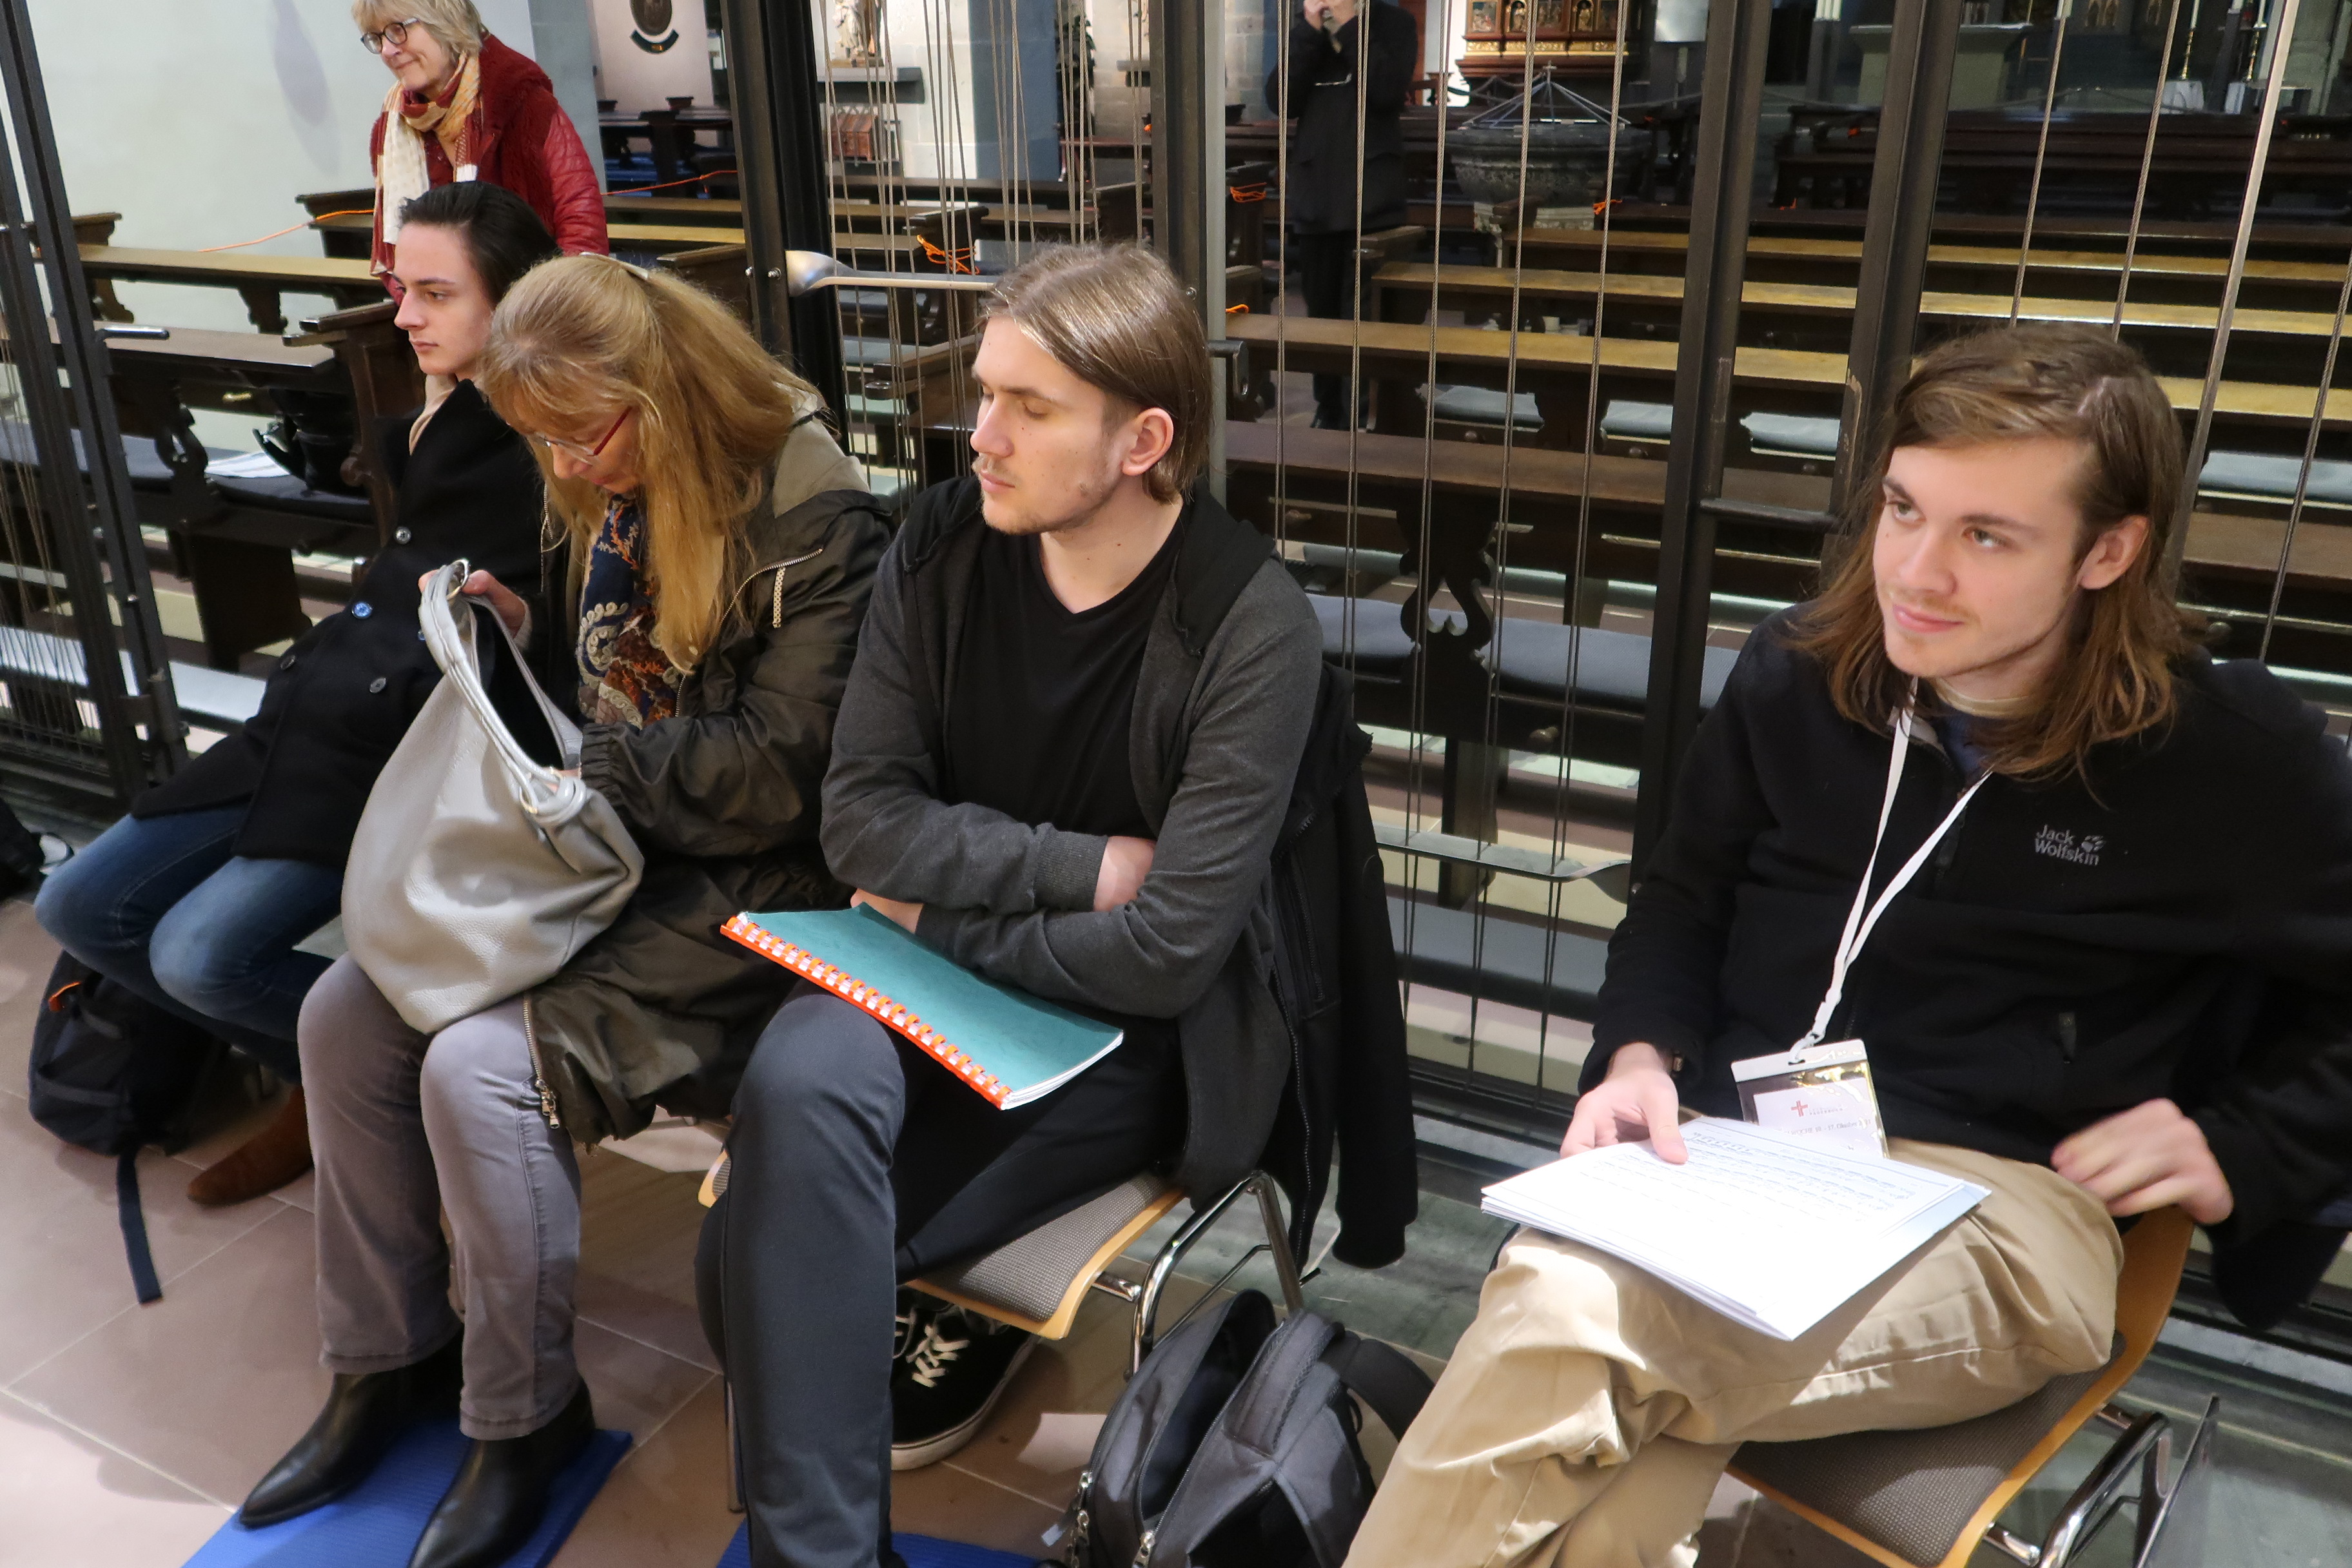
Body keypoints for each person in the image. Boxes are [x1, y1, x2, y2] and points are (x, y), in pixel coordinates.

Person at [1345, 324, 2352, 1567]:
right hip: (1745, 1161)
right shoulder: (1799, 674)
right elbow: (1682, 896)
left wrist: (2244, 1144)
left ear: (2106, 552)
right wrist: (1641, 1053)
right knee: (1607, 1442)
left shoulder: (2220, 756)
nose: (1915, 572)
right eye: (1902, 509)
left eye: (1986, 536)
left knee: (1570, 1309)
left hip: (2005, 1205)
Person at [240, 255, 887, 1568]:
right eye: (540, 441)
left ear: (661, 394)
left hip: (756, 889)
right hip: (614, 845)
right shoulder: (617, 465)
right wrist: (522, 633)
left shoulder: (818, 516)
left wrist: (584, 765)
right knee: (346, 1014)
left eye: (580, 437)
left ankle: (523, 1415)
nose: (568, 468)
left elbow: (784, 772)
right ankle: (389, 1356)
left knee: (478, 1069)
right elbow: (620, 673)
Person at [698, 244, 1326, 1567]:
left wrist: (934, 918)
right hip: (928, 983)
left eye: (1028, 408)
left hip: (1116, 1038)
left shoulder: (1248, 623)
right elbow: (860, 819)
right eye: (984, 393)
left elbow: (1165, 956)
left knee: (754, 1249)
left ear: (1142, 441)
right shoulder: (938, 546)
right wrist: (1078, 865)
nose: (980, 434)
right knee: (797, 1090)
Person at [34, 182, 564, 1208]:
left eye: (436, 294)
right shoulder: (440, 412)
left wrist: (524, 623)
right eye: (400, 290)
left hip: (404, 751)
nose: (404, 317)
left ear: (517, 302)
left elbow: (570, 637)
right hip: (313, 714)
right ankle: (325, 1083)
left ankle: (370, 1086)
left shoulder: (555, 439)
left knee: (199, 957)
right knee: (80, 902)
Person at [355, 0, 606, 277]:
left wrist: (549, 296)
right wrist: (422, 299)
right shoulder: (392, 126)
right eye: (377, 38)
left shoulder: (520, 98)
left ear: (446, 21)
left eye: (398, 30)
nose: (387, 50)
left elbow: (581, 221)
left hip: (539, 292)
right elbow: (396, 252)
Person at [1268, 0, 1417, 429]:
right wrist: (1309, 30)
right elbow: (1280, 100)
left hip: (1373, 199)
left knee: (1367, 319)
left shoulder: (1395, 23)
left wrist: (1351, 26)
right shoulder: (1305, 29)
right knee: (1322, 315)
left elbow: (1386, 89)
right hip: (1318, 193)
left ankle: (1368, 415)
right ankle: (1329, 411)